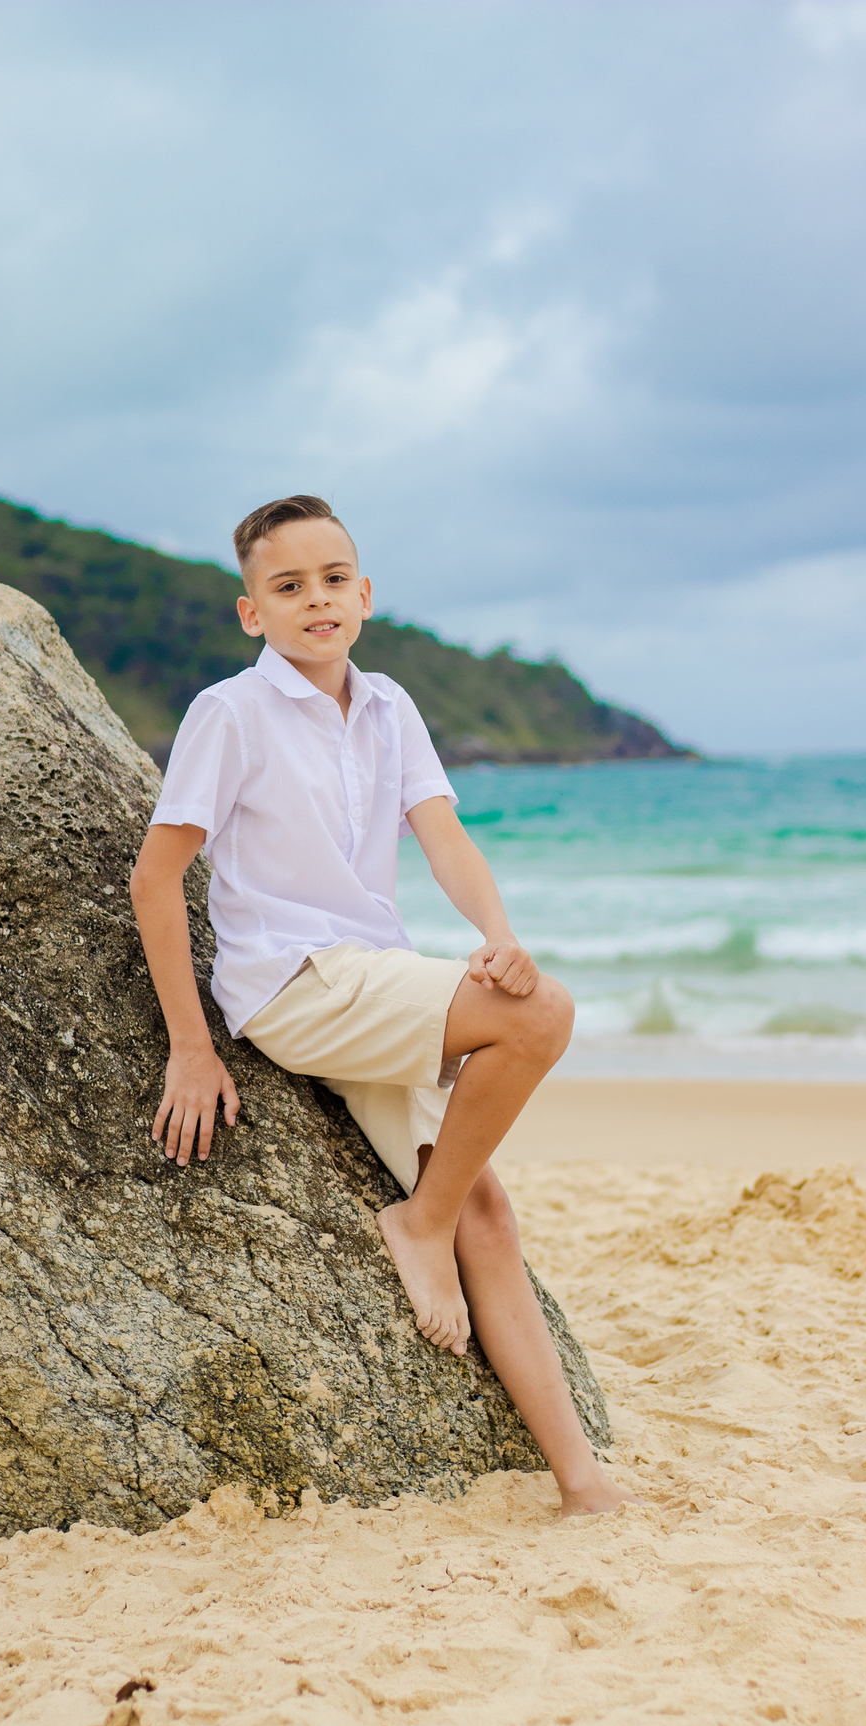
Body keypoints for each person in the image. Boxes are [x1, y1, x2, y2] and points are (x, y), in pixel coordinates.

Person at [129, 494, 637, 1515]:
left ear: (364, 594)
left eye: (333, 580)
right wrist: (191, 1046)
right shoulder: (230, 713)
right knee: (537, 1019)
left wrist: (498, 935)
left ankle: (582, 1486)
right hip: (295, 984)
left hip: (371, 977)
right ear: (252, 612)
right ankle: (417, 1225)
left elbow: (444, 836)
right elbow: (155, 877)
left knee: (486, 1208)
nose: (315, 600)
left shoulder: (391, 705)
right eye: (288, 586)